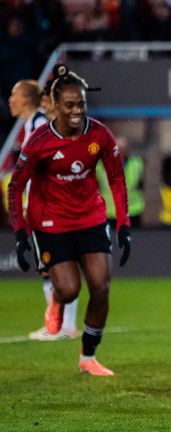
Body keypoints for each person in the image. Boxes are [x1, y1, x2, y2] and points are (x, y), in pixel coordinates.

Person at [8, 65, 131, 376]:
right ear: (56, 106)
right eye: (70, 105)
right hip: (51, 223)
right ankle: (57, 303)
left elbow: (116, 179)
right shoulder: (39, 140)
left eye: (81, 104)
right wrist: (20, 231)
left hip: (90, 217)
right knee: (69, 290)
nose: (77, 111)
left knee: (101, 287)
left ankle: (88, 357)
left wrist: (124, 224)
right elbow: (16, 185)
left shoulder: (99, 134)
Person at [7, 78, 80, 341]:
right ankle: (60, 325)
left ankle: (64, 326)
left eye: (14, 95)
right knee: (49, 266)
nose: (10, 100)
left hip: (51, 206)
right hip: (43, 206)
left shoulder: (39, 125)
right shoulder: (31, 126)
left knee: (56, 265)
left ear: (26, 99)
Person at [97, 135, 144, 227]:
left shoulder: (137, 163)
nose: (118, 151)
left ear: (127, 150)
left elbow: (142, 184)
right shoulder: (99, 166)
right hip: (108, 213)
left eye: (122, 148)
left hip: (132, 211)